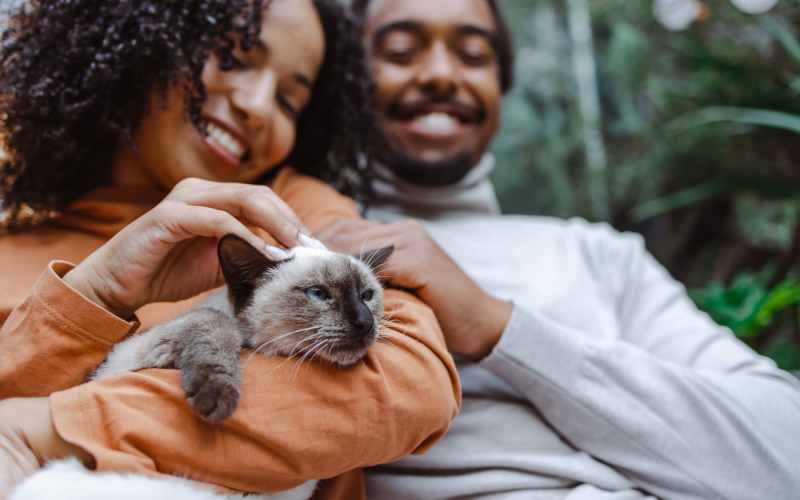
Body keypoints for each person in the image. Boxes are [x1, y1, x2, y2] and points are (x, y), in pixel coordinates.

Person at [315, 0, 800, 498]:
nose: (441, 73)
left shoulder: (596, 254)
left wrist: (498, 329)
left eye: (474, 55)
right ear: (343, 80)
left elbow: (789, 455)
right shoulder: (319, 261)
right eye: (400, 51)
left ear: (501, 87)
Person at [0, 1, 459, 498]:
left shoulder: (292, 209)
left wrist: (51, 427)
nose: (258, 107)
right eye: (233, 58)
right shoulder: (11, 243)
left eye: (289, 103)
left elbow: (413, 384)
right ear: (146, 43)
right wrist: (97, 290)